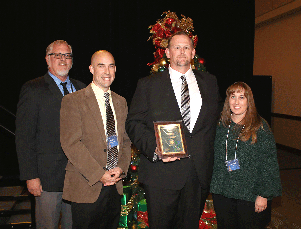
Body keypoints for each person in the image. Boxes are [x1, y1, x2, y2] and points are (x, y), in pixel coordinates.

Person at [126, 31, 221, 229]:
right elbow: (133, 123)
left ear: (193, 52)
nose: (181, 51)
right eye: (176, 47)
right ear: (167, 52)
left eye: (186, 47)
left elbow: (216, 123)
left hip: (198, 174)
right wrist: (156, 149)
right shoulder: (148, 85)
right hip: (162, 174)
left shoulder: (210, 83)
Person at [15, 40, 86, 228]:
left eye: (67, 56)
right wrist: (30, 176)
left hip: (78, 178)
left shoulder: (82, 89)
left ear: (72, 61)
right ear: (47, 59)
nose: (63, 59)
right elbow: (24, 136)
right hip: (47, 180)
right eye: (58, 55)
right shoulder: (33, 89)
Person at [60, 50, 132, 229]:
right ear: (91, 69)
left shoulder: (121, 102)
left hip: (114, 187)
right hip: (87, 186)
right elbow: (71, 143)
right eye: (101, 66)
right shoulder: (73, 101)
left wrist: (121, 168)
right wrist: (99, 174)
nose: (107, 71)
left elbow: (126, 142)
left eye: (111, 66)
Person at [210, 82, 282, 229]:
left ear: (249, 101)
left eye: (241, 97)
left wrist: (264, 194)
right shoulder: (220, 125)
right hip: (223, 192)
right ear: (227, 100)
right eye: (233, 97)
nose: (236, 102)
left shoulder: (259, 126)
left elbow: (269, 163)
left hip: (250, 194)